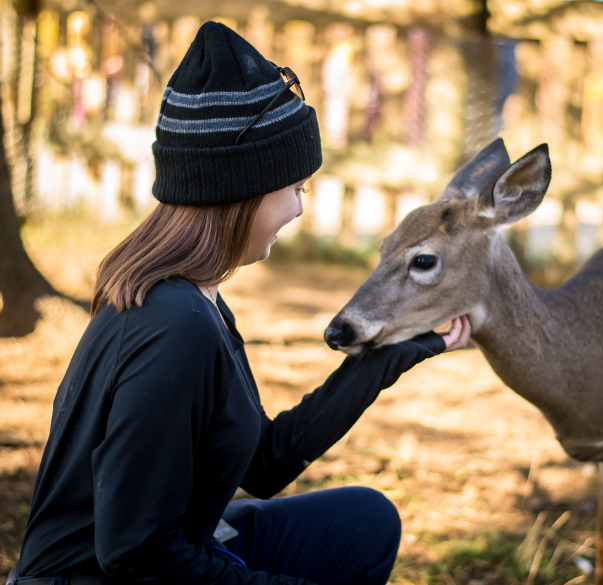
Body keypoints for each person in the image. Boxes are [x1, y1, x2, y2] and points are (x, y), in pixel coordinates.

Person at [8, 21, 471, 585]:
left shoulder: (197, 301)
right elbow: (137, 554)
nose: (299, 210)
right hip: (102, 577)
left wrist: (401, 350)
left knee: (365, 521)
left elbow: (267, 463)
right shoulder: (173, 328)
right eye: (296, 189)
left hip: (169, 549)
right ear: (243, 190)